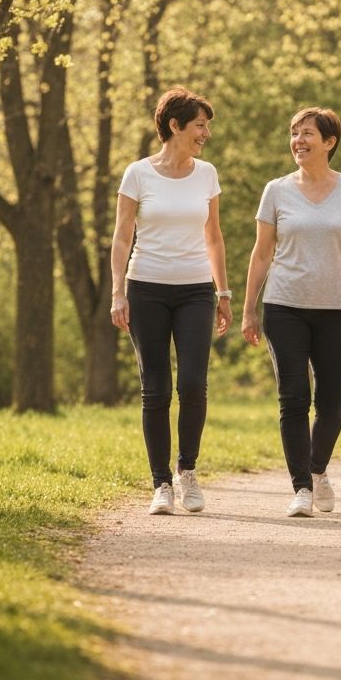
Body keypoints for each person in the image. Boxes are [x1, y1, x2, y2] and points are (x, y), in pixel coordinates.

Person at [242, 107, 341, 518]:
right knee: (293, 398)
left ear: (329, 142)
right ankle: (301, 487)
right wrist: (249, 307)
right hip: (284, 305)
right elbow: (262, 252)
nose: (298, 141)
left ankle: (317, 469)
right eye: (294, 134)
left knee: (333, 402)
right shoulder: (276, 190)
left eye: (307, 134)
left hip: (337, 307)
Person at [110, 86, 232, 516]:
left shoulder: (207, 174)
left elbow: (214, 236)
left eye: (207, 126)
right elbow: (123, 235)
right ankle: (160, 483)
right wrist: (117, 292)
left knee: (194, 384)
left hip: (197, 289)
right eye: (200, 125)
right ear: (175, 125)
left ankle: (188, 472)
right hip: (146, 287)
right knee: (155, 388)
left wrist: (223, 291)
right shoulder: (138, 174)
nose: (206, 133)